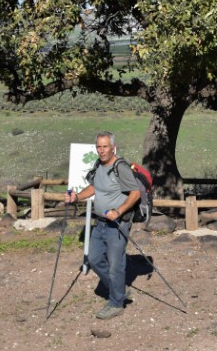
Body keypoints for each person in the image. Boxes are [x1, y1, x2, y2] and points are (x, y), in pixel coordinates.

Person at [65, 131, 145, 320]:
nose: (101, 151)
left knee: (116, 265)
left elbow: (135, 194)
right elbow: (94, 187)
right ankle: (119, 291)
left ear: (113, 147)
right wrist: (77, 197)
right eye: (99, 147)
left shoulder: (121, 167)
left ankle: (116, 303)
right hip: (99, 222)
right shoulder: (99, 165)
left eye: (105, 146)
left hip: (117, 224)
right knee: (93, 258)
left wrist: (118, 211)